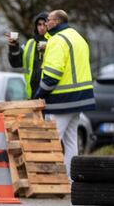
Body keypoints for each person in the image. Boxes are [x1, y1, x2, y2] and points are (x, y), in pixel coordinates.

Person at [33, 10, 95, 181]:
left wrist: (39, 95)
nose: (46, 22)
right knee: (71, 141)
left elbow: (53, 74)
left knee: (51, 140)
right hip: (80, 98)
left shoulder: (57, 41)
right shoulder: (77, 36)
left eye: (49, 20)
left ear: (57, 21)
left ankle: (47, 180)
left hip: (63, 99)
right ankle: (70, 180)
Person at [7, 12, 48, 99]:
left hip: (49, 97)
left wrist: (47, 50)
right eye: (39, 24)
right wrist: (14, 47)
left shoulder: (55, 42)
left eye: (45, 24)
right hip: (32, 96)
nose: (42, 27)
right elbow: (15, 63)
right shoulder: (30, 43)